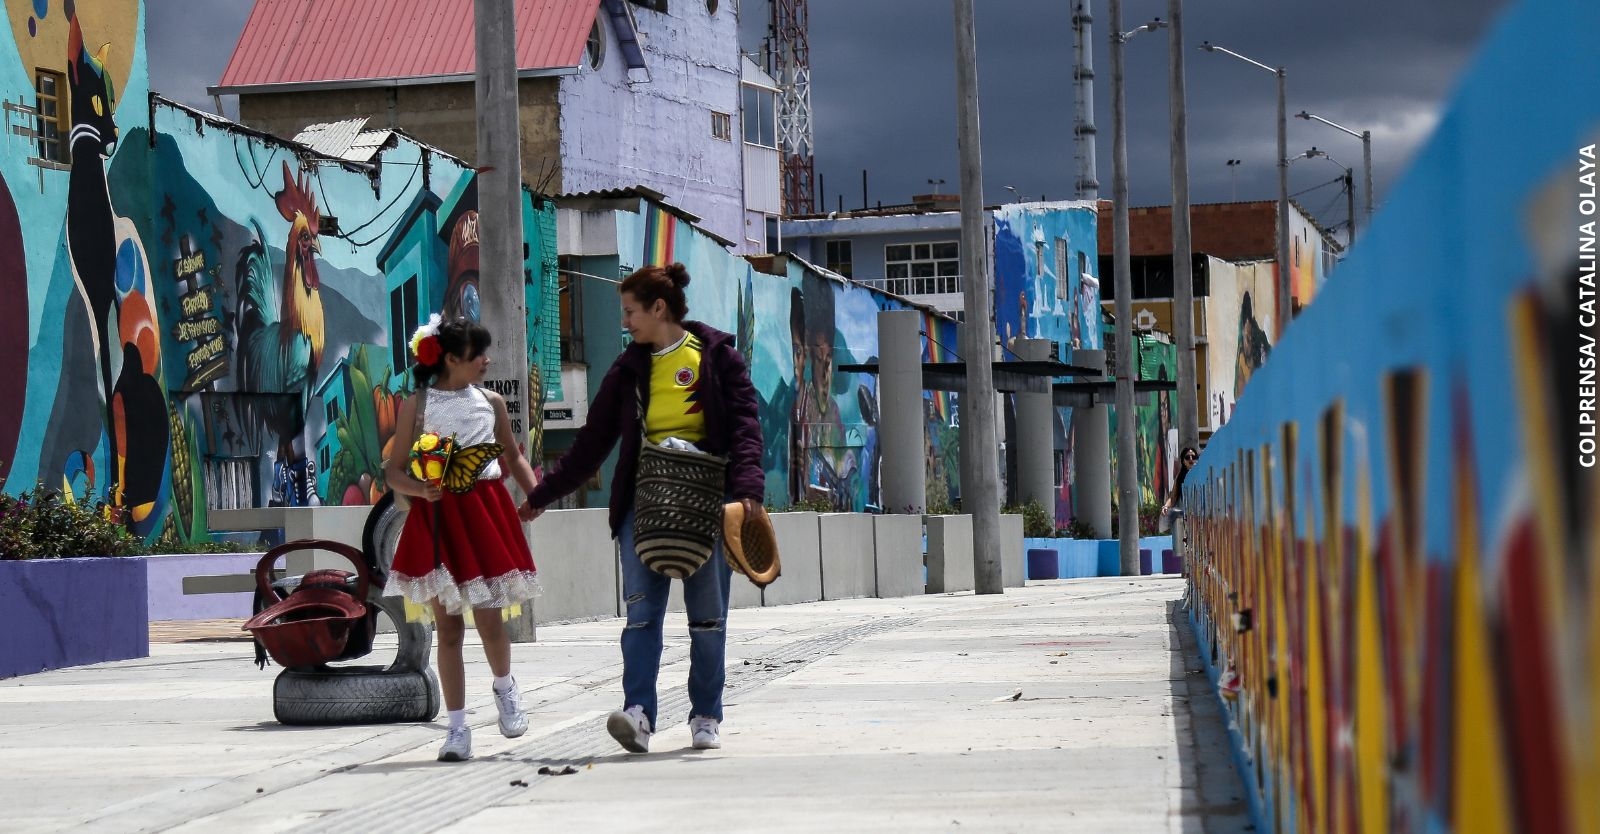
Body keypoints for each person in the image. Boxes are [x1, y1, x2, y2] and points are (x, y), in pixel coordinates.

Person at [521, 263, 764, 754]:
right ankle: (639, 714)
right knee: (640, 616)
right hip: (643, 503)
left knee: (708, 619)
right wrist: (539, 498)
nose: (625, 322)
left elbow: (745, 429)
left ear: (659, 308)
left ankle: (705, 716)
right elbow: (591, 445)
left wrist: (747, 496)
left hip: (709, 505)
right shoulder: (627, 370)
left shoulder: (718, 359)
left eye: (631, 312)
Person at [383, 316, 542, 763]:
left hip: (483, 516)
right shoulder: (417, 404)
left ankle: (505, 688)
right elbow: (394, 471)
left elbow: (513, 455)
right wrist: (420, 489)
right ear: (452, 359)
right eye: (479, 354)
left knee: (491, 622)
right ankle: (456, 730)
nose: (487, 361)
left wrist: (537, 494)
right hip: (437, 521)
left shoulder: (491, 402)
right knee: (448, 630)